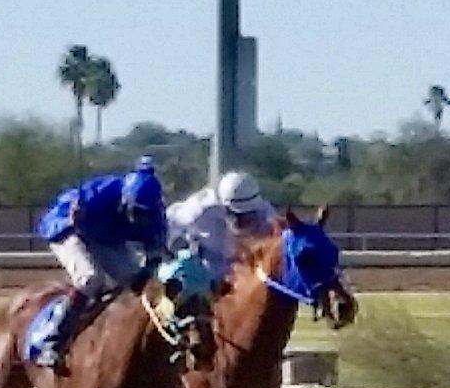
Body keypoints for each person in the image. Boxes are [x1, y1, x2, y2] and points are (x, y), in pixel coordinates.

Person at [27, 155, 170, 371]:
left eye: (146, 214)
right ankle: (53, 340)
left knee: (138, 281)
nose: (141, 219)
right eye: (136, 212)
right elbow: (74, 217)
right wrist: (75, 219)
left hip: (107, 238)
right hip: (68, 228)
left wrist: (148, 278)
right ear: (125, 200)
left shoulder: (155, 216)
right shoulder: (101, 192)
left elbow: (154, 256)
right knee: (91, 279)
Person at [167, 169, 279, 284]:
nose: (242, 221)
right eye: (236, 214)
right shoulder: (198, 211)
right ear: (223, 206)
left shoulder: (267, 215)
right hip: (206, 271)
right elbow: (169, 222)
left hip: (243, 271)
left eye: (248, 215)